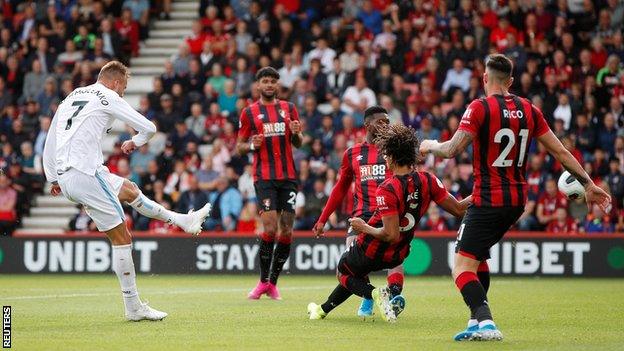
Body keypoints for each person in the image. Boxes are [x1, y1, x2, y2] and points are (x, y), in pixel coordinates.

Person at [420, 54, 612, 341]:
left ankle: (486, 322)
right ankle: (475, 322)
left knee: (460, 268)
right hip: (516, 202)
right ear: (510, 81)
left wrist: (429, 145)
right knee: (477, 258)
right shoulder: (529, 109)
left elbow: (451, 150)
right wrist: (588, 183)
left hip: (487, 199)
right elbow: (560, 152)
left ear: (485, 79)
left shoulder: (480, 108)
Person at [42, 61, 212, 322]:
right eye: (124, 88)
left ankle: (183, 220)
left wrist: (53, 177)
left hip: (73, 173)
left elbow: (51, 138)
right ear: (116, 82)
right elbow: (150, 128)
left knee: (130, 190)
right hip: (84, 173)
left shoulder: (72, 95)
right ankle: (133, 307)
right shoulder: (108, 95)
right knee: (122, 237)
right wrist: (135, 141)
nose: (122, 93)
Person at [307, 124, 470, 322]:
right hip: (398, 254)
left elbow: (390, 234)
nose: (384, 159)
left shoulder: (387, 188)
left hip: (371, 249)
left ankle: (374, 294)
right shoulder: (429, 180)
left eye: (386, 155)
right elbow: (459, 208)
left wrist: (363, 227)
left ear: (392, 157)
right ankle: (321, 310)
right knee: (356, 272)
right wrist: (480, 194)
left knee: (343, 272)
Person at [313, 106, 407, 319]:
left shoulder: (395, 151)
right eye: (380, 122)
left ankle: (393, 298)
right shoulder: (352, 153)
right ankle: (370, 296)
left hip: (388, 213)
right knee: (350, 265)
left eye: (387, 121)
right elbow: (340, 189)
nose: (385, 125)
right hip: (361, 216)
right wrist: (323, 218)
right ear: (367, 125)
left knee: (395, 259)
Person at [236, 67, 303, 300]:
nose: (269, 85)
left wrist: (296, 133)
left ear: (277, 85)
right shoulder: (249, 113)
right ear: (258, 85)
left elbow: (299, 143)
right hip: (264, 177)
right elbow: (239, 146)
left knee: (286, 230)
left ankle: (272, 283)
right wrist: (253, 144)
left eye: (273, 81)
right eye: (265, 81)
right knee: (270, 228)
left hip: (288, 177)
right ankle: (262, 281)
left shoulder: (289, 109)